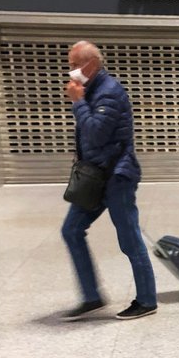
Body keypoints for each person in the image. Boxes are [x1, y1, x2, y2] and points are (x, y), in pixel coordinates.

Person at [61, 40, 157, 321]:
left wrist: (77, 102)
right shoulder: (92, 90)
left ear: (90, 64)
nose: (70, 71)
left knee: (129, 239)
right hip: (95, 177)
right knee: (71, 230)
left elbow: (96, 133)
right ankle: (91, 297)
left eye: (74, 65)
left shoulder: (110, 92)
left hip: (117, 177)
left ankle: (147, 300)